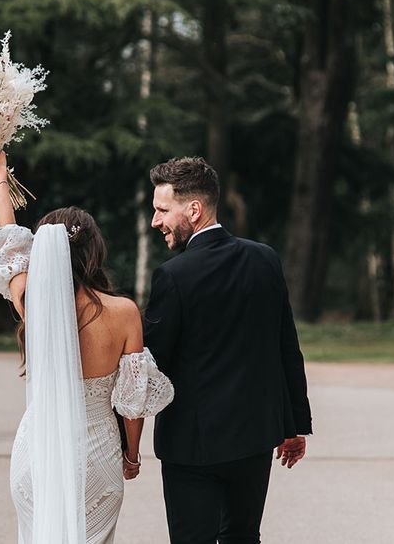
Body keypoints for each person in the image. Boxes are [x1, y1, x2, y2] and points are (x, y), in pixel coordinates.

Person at [0, 151, 174, 544]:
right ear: (94, 251)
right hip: (96, 456)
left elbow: (9, 240)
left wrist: (0, 175)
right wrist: (131, 456)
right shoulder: (123, 313)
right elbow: (132, 403)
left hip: (37, 454)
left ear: (44, 255)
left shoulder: (31, 300)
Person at [143, 156, 312, 544]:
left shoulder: (172, 276)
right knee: (243, 537)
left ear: (195, 209)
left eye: (162, 210)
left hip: (191, 446)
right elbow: (288, 347)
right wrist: (294, 426)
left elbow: (153, 367)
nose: (156, 222)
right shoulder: (264, 259)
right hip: (255, 438)